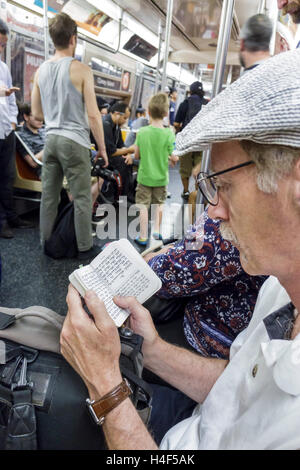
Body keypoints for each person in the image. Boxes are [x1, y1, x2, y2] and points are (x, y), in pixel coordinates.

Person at [60, 49, 300, 450]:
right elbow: (236, 387)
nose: (212, 208)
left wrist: (105, 385)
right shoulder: (279, 290)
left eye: (223, 185)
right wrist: (151, 349)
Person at [31, 12, 108, 260]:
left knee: (49, 196)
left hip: (50, 140)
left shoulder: (40, 71)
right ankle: (85, 248)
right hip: (74, 141)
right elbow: (94, 116)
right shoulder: (82, 70)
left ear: (54, 40)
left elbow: (36, 113)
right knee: (83, 196)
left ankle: (46, 241)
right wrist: (103, 150)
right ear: (73, 39)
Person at [144, 209, 266, 358]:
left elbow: (167, 274)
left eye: (227, 187)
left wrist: (152, 258)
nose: (213, 209)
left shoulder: (236, 221)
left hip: (208, 337)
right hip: (231, 330)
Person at [0, 19, 33, 239]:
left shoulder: (3, 67)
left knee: (7, 177)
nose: (0, 49)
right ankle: (2, 222)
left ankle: (11, 216)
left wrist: (12, 122)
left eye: (2, 45)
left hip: (5, 131)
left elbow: (11, 101)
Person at [134, 93, 178, 246]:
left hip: (144, 177)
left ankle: (143, 236)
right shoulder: (169, 133)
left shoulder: (142, 132)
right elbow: (175, 157)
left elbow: (137, 155)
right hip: (161, 178)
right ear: (166, 113)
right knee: (159, 203)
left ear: (149, 111)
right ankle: (157, 231)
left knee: (143, 205)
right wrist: (167, 158)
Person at [173, 81, 208, 200]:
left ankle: (186, 191)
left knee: (185, 168)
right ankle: (198, 191)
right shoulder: (207, 104)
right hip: (201, 140)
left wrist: (180, 131)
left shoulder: (186, 103)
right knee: (200, 167)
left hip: (187, 140)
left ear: (191, 91)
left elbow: (176, 123)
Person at [102, 101, 135, 200]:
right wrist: (128, 150)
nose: (125, 121)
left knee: (128, 161)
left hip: (111, 156)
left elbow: (122, 145)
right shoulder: (105, 125)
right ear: (117, 114)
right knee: (122, 162)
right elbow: (111, 152)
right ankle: (120, 197)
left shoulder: (116, 127)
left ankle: (126, 194)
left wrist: (128, 154)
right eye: (124, 118)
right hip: (104, 157)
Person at [15, 103, 44, 179]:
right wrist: (52, 147)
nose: (40, 119)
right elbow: (33, 162)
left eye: (41, 115)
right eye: (36, 116)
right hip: (45, 169)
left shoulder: (45, 130)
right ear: (26, 117)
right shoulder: (21, 136)